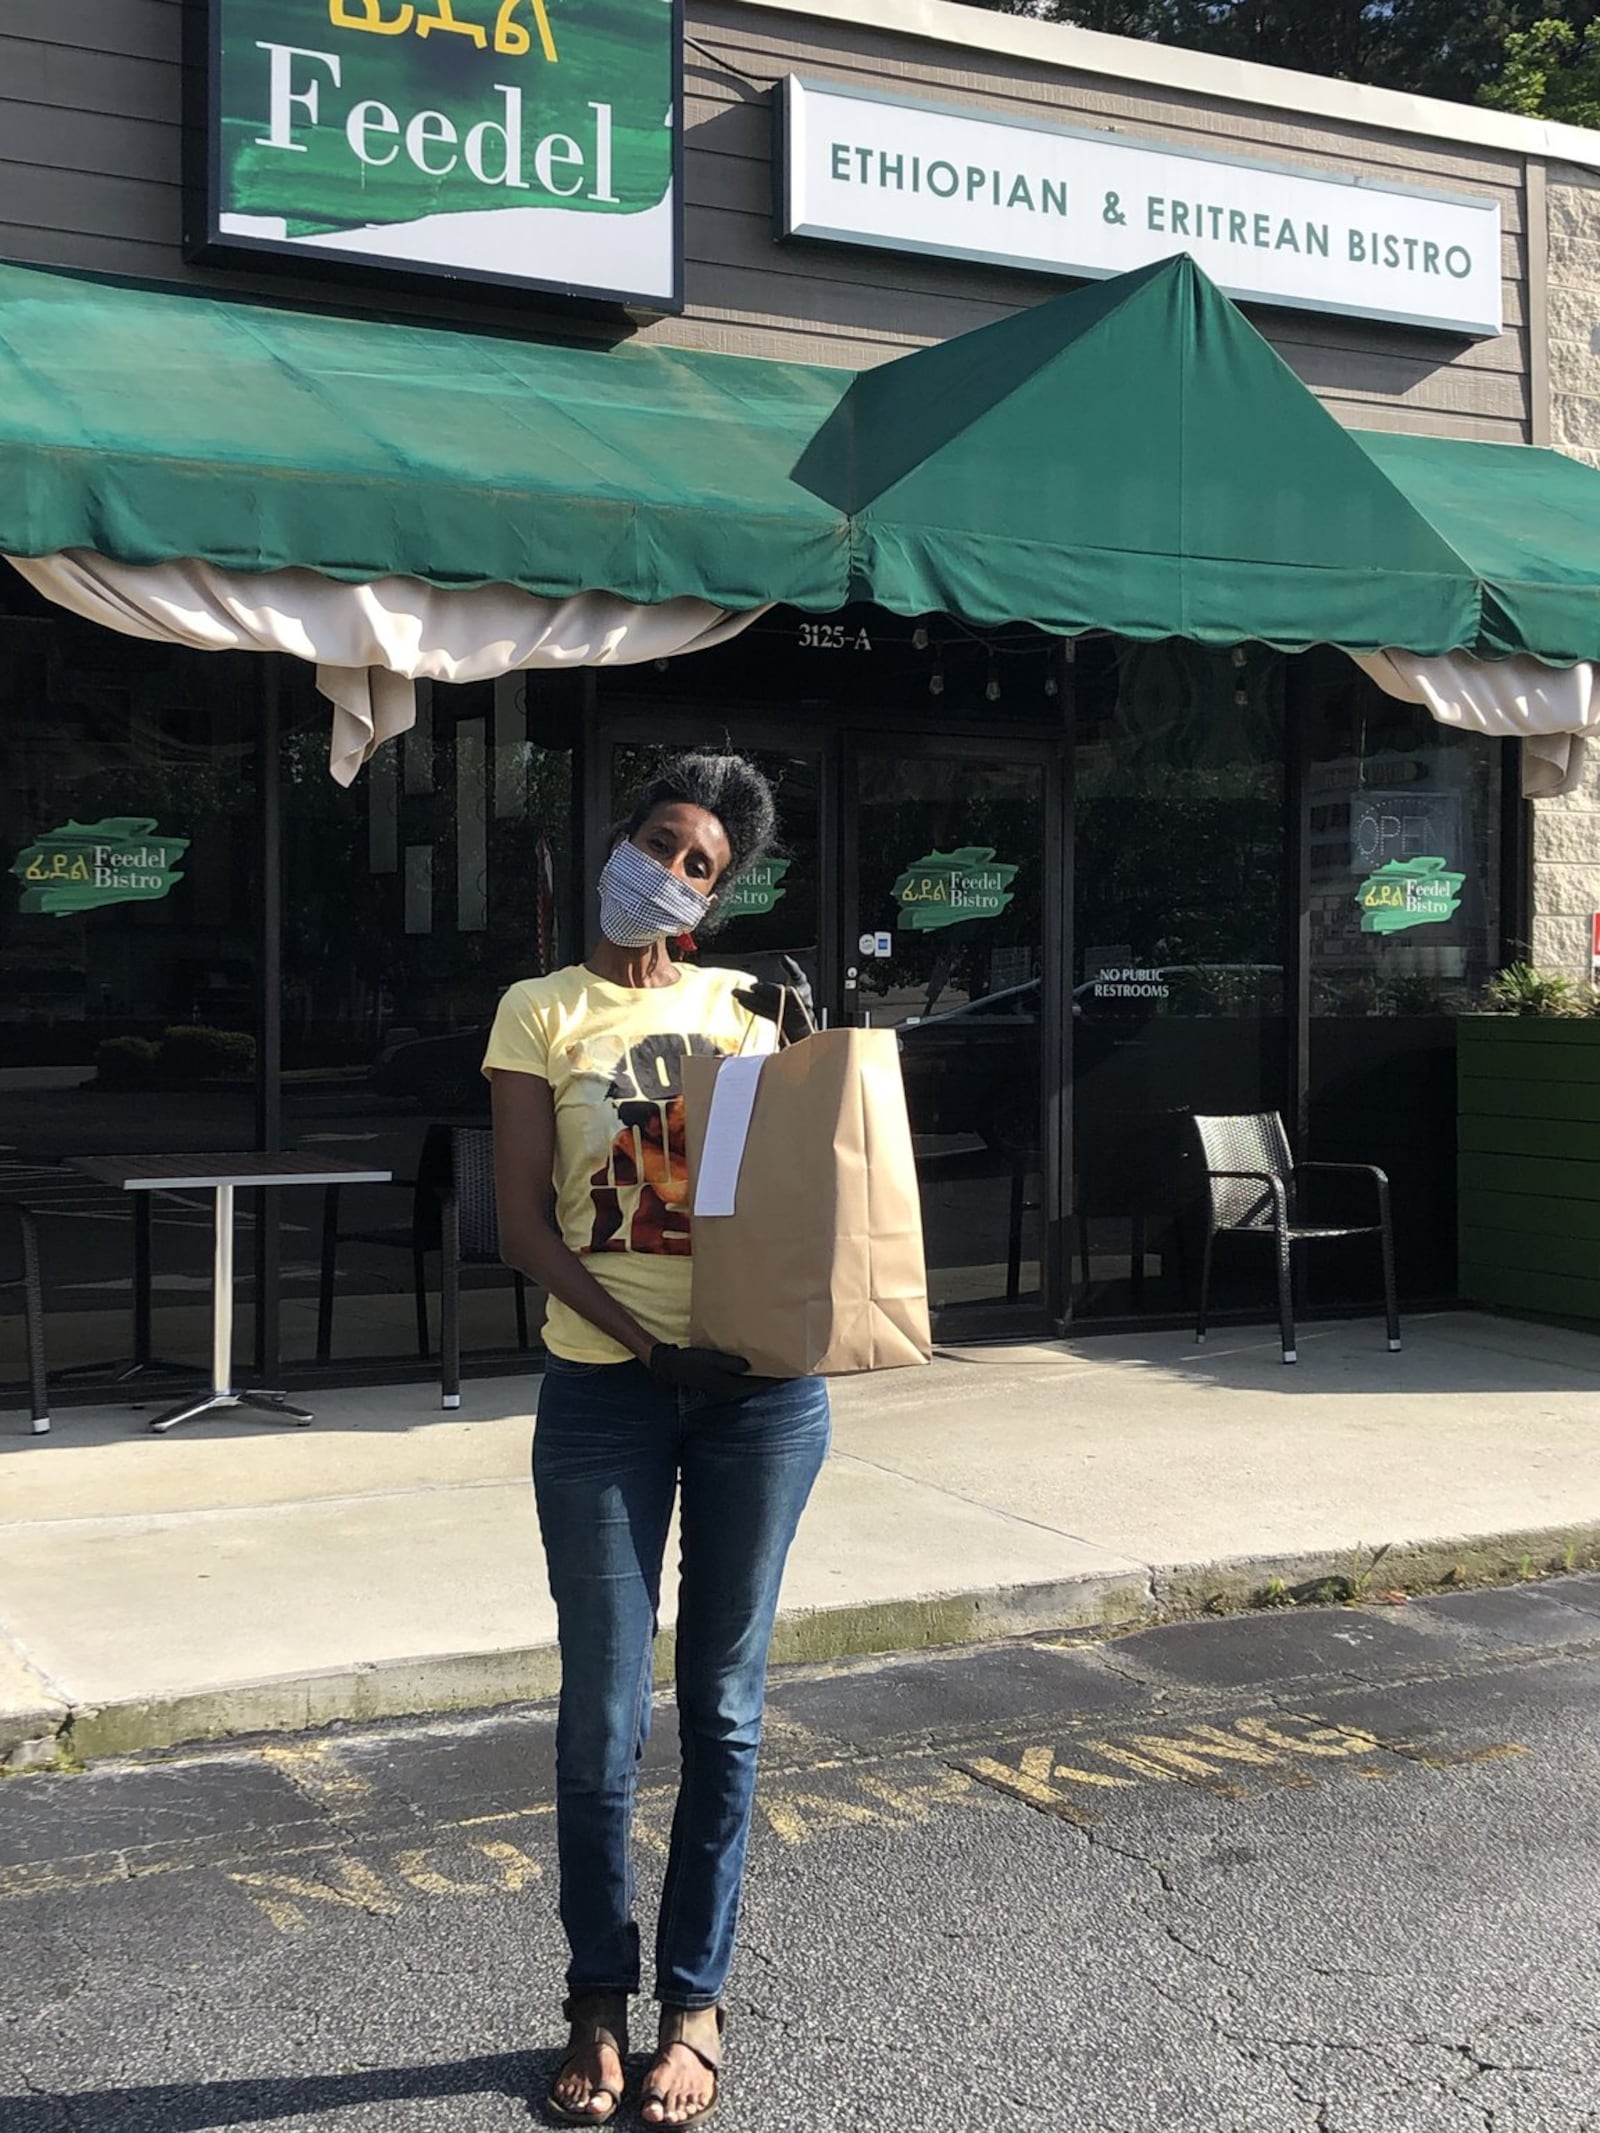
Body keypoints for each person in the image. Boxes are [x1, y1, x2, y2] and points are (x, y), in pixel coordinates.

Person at [485, 752, 829, 2130]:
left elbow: (800, 1201)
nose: (675, 872)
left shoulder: (750, 1011)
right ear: (616, 844)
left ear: (718, 895)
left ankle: (696, 1998)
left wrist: (816, 1061)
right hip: (604, 1391)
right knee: (601, 1715)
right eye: (664, 843)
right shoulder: (537, 1012)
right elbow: (524, 1225)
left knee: (726, 1704)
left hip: (759, 1394)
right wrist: (642, 1346)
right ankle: (593, 1994)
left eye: (704, 866)